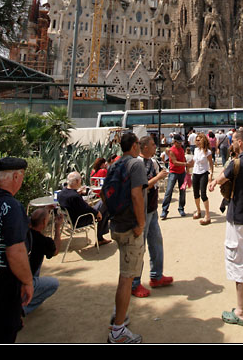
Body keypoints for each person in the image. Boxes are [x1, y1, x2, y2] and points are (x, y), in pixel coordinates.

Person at [209, 129, 243, 326]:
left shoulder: (236, 163)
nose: (231, 143)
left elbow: (220, 179)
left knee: (238, 261)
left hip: (239, 218)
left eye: (233, 141)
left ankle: (241, 311)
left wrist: (213, 182)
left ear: (240, 143)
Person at [108, 132, 148, 343]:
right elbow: (136, 195)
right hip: (130, 228)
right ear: (134, 146)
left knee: (123, 274)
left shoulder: (115, 164)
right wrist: (140, 224)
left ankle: (118, 313)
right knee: (127, 278)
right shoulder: (136, 164)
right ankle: (117, 331)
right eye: (139, 145)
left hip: (116, 224)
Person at [0, 157, 33, 343]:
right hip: (4, 286)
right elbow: (15, 251)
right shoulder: (12, 207)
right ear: (16, 176)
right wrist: (27, 282)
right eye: (22, 176)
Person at [131, 135, 173, 297]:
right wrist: (158, 177)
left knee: (156, 242)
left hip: (152, 209)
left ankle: (156, 275)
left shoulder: (153, 162)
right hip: (142, 210)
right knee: (139, 246)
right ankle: (134, 283)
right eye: (153, 145)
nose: (156, 147)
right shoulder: (137, 164)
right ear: (145, 147)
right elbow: (141, 187)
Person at [25, 207, 63, 315]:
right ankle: (24, 308)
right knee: (53, 284)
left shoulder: (24, 231)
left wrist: (46, 209)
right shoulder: (43, 241)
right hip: (26, 281)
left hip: (15, 277)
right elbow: (55, 250)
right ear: (44, 222)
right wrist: (57, 227)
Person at [58, 172, 111, 246]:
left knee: (102, 208)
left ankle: (101, 238)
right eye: (80, 180)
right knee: (104, 203)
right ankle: (100, 238)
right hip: (80, 220)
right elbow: (86, 208)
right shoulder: (74, 197)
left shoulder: (62, 193)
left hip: (70, 219)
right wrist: (97, 213)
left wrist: (78, 192)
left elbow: (74, 201)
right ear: (77, 181)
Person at [160, 134, 187, 219]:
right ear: (174, 142)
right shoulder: (171, 150)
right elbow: (175, 162)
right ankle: (164, 210)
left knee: (182, 192)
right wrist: (186, 164)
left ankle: (181, 208)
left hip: (182, 172)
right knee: (169, 192)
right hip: (173, 172)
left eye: (181, 143)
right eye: (178, 143)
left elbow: (183, 159)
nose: (180, 144)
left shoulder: (182, 149)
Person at [191, 132, 214, 225]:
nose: (197, 141)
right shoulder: (196, 150)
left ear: (203, 140)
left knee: (203, 194)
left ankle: (207, 215)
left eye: (199, 140)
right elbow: (193, 162)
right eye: (196, 140)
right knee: (196, 193)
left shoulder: (207, 152)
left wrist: (211, 175)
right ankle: (199, 210)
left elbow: (211, 164)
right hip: (195, 173)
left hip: (203, 173)